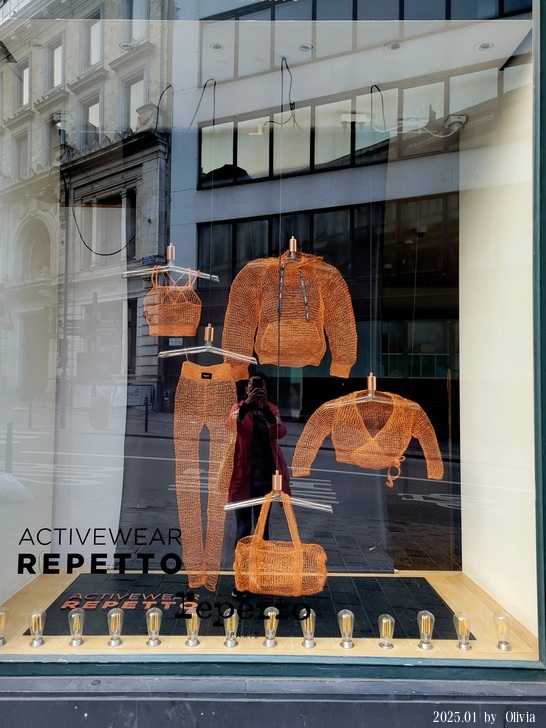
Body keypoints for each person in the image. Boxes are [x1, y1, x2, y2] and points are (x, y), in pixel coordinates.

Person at [227, 373, 290, 597]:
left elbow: (280, 432)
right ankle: (241, 578)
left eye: (260, 386)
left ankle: (259, 574)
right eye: (252, 386)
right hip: (243, 478)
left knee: (262, 529)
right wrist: (247, 405)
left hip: (265, 478)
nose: (256, 390)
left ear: (266, 390)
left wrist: (264, 410)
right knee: (243, 529)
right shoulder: (238, 408)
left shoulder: (271, 410)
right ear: (246, 390)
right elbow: (230, 425)